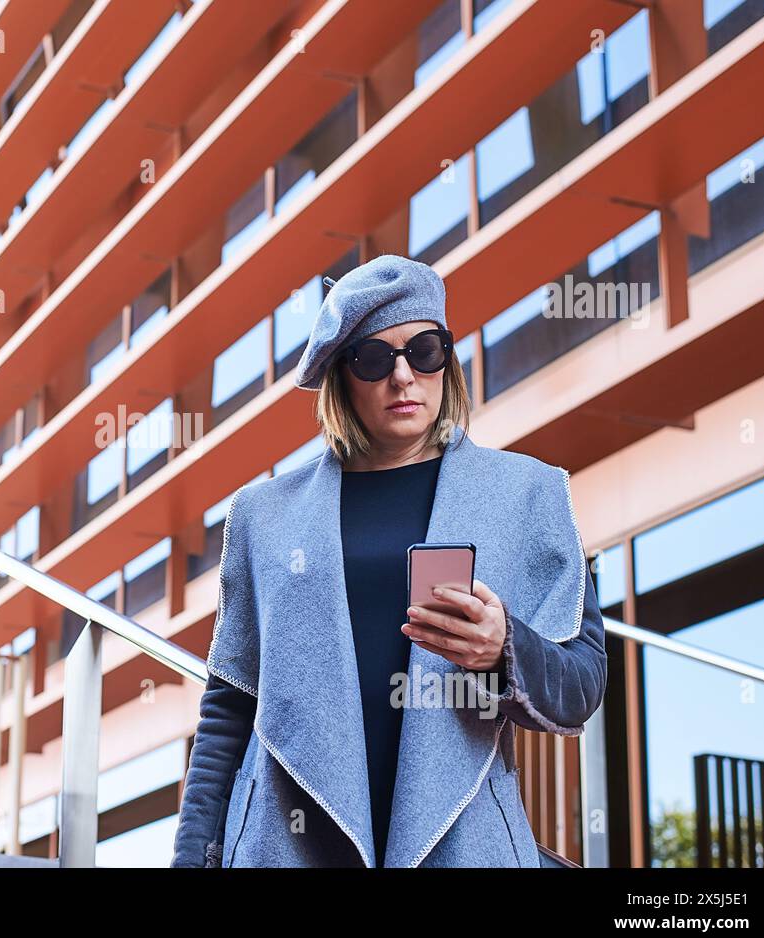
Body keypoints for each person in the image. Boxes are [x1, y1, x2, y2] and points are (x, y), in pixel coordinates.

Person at [170, 254, 607, 867]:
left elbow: (583, 682)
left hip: (463, 843)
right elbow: (230, 707)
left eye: (423, 351)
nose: (403, 377)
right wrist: (193, 857)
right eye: (374, 359)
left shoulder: (527, 493)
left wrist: (505, 647)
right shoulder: (264, 515)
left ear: (447, 360)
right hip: (287, 843)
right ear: (341, 378)